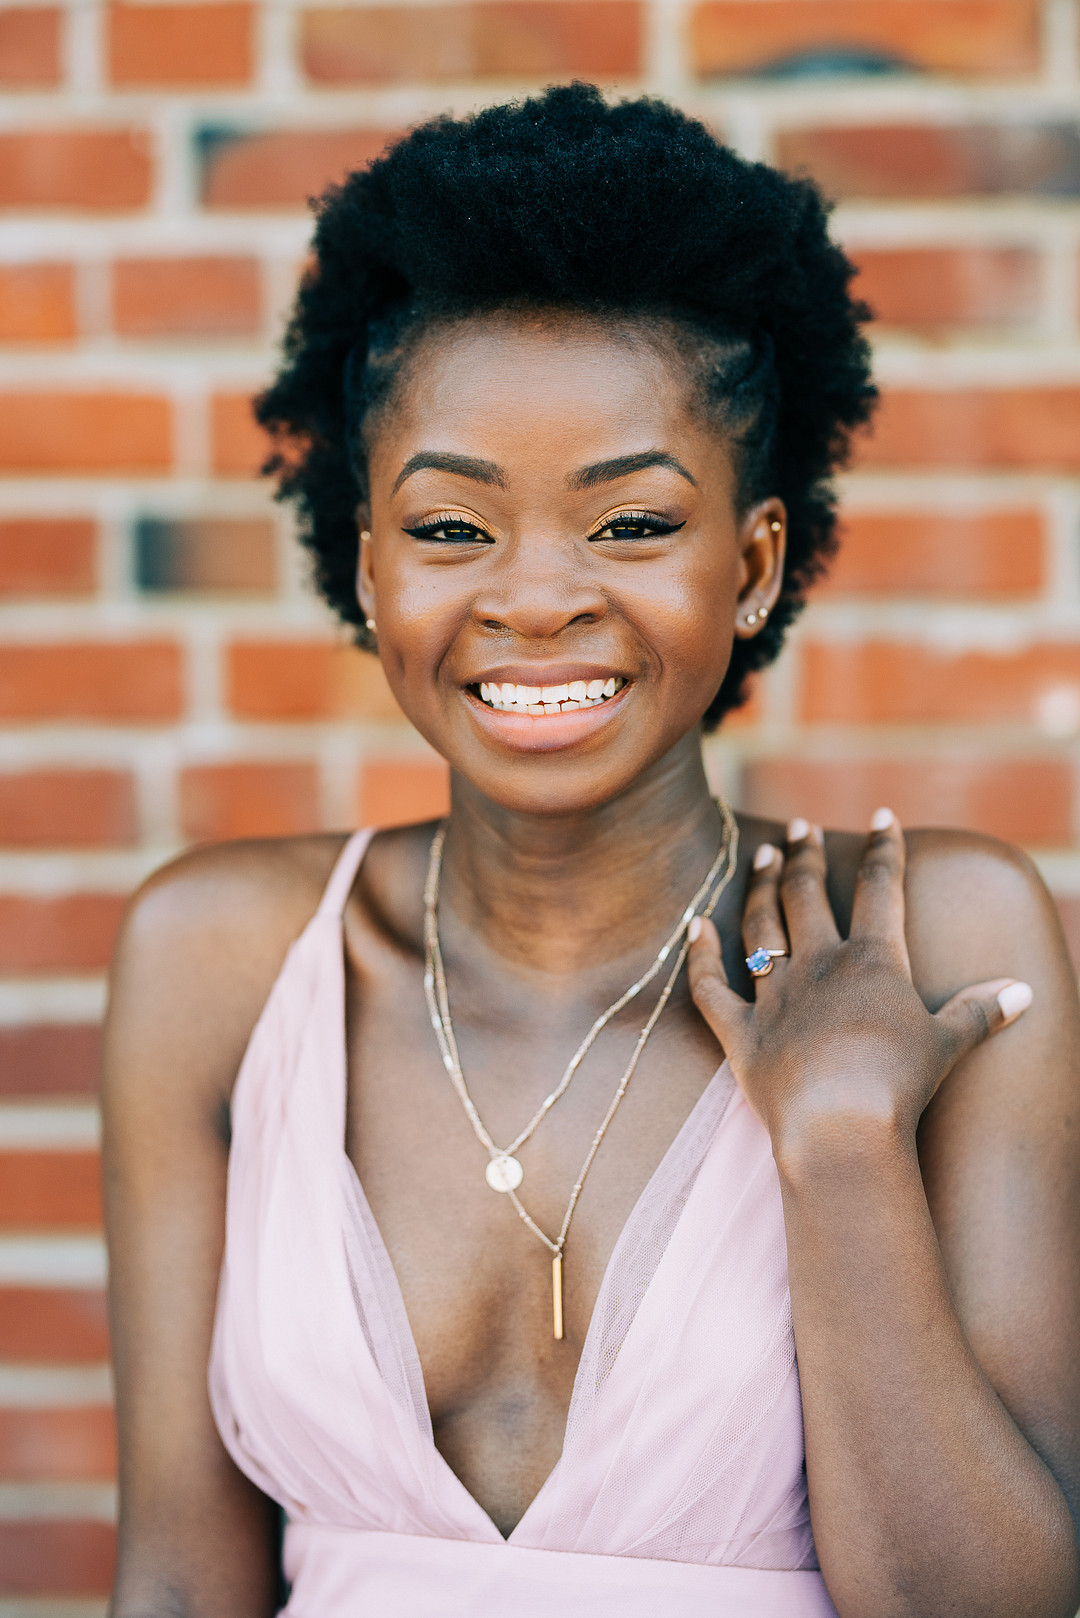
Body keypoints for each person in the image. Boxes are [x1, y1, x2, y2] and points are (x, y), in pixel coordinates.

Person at [102, 85, 1080, 1617]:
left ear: (751, 563)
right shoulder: (216, 957)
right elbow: (174, 1574)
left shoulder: (937, 937)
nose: (535, 598)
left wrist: (839, 1151)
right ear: (367, 565)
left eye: (630, 526)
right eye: (449, 530)